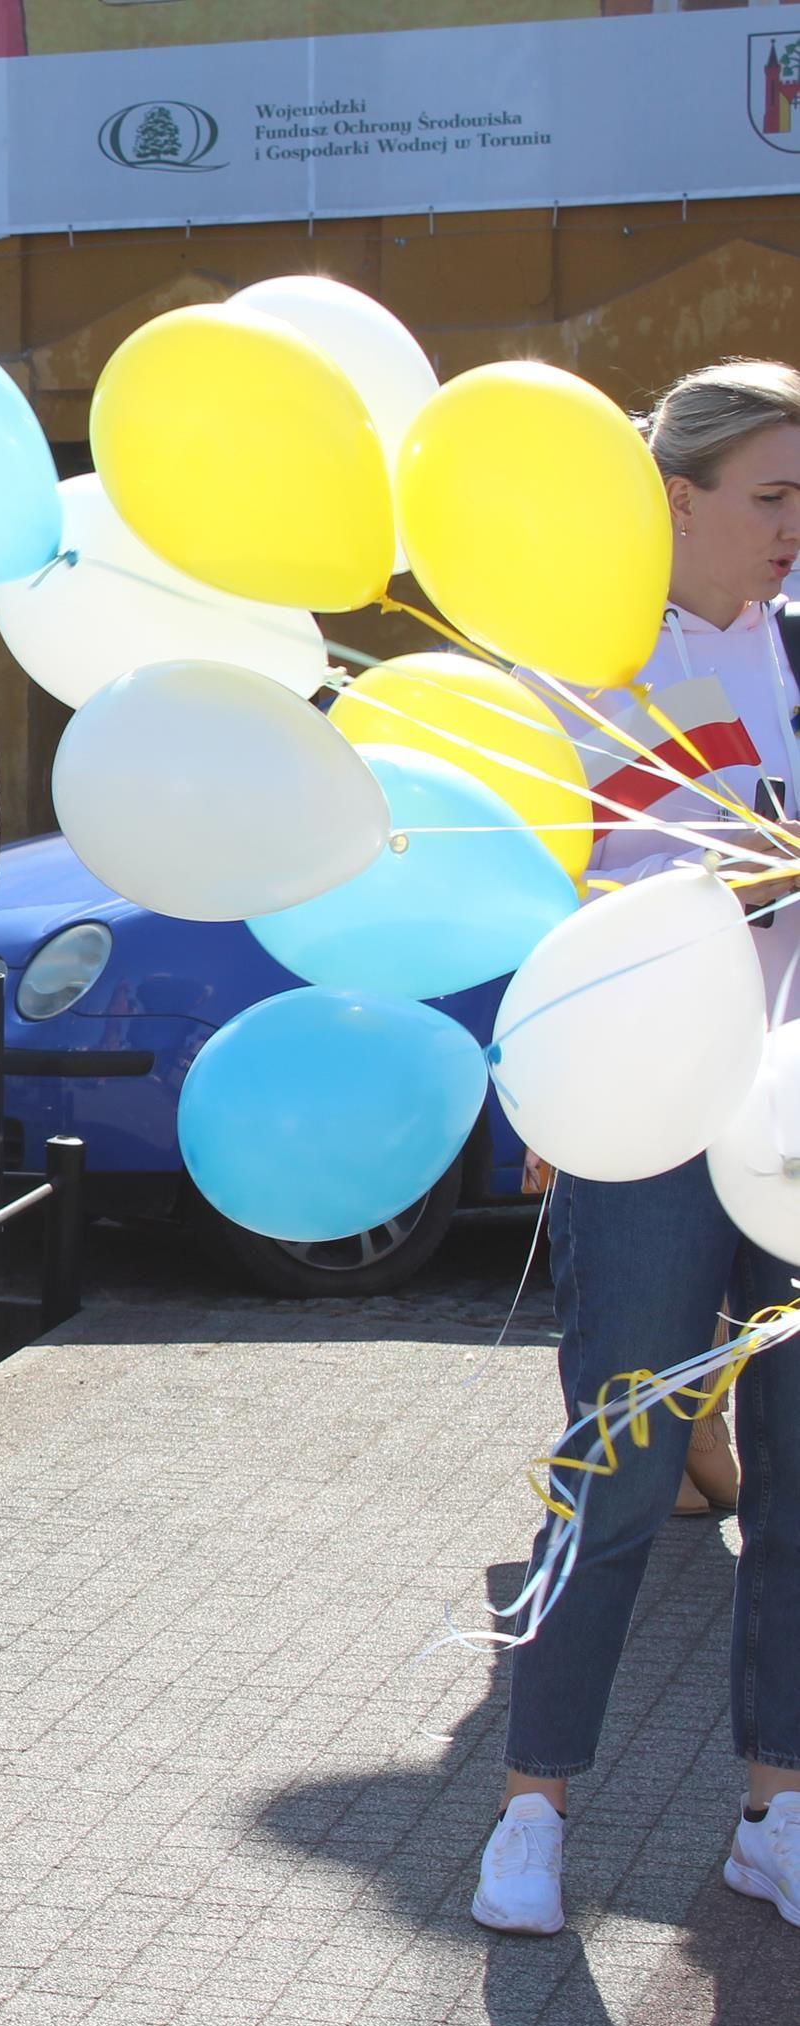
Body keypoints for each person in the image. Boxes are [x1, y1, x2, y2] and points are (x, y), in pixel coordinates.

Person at [470, 358, 800, 1940]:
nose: (793, 528)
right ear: (673, 499)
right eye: (771, 498)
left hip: (789, 1126)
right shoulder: (586, 668)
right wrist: (549, 1096)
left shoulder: (794, 652)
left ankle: (773, 1809)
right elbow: (531, 900)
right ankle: (532, 1807)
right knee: (617, 1472)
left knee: (795, 1485)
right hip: (650, 1135)